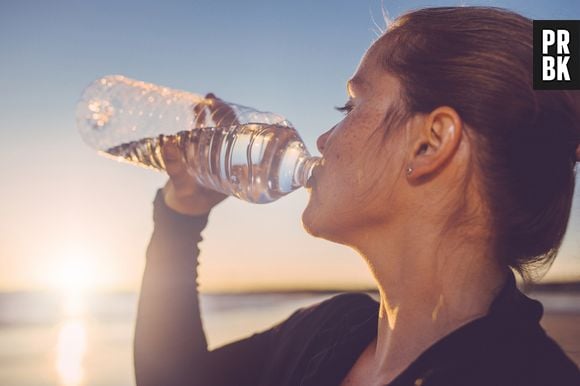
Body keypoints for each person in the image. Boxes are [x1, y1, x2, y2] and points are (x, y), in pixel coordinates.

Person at [133, 6, 580, 386]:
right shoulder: (330, 330)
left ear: (429, 143)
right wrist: (181, 217)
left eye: (349, 106)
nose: (324, 139)